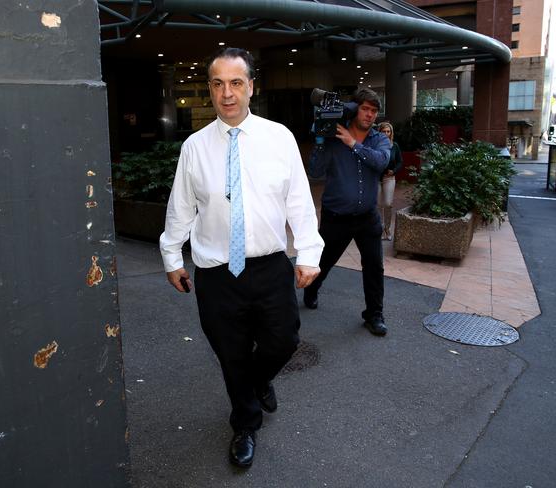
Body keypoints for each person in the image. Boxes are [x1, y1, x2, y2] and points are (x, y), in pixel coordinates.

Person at [159, 47, 324, 469]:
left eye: (236, 83)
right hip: (216, 272)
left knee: (284, 340)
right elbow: (181, 207)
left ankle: (259, 380)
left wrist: (308, 252)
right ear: (210, 89)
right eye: (218, 84)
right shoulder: (195, 147)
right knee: (231, 355)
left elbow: (299, 202)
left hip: (269, 266)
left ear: (252, 86)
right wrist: (172, 257)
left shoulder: (279, 138)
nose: (226, 93)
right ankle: (245, 424)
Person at [303, 88, 390, 336]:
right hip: (336, 217)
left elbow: (381, 162)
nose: (370, 115)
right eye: (365, 109)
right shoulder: (333, 137)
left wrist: (353, 144)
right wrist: (320, 139)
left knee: (374, 266)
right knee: (324, 261)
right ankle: (312, 288)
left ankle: (374, 315)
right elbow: (315, 172)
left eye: (374, 111)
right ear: (354, 109)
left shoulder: (379, 140)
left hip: (367, 218)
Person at [377, 122, 403, 240]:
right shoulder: (375, 144)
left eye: (388, 131)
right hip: (376, 178)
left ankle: (387, 229)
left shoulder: (394, 145)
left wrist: (394, 171)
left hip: (389, 177)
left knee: (387, 204)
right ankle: (380, 230)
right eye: (384, 131)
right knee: (377, 205)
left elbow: (400, 162)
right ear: (379, 132)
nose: (386, 134)